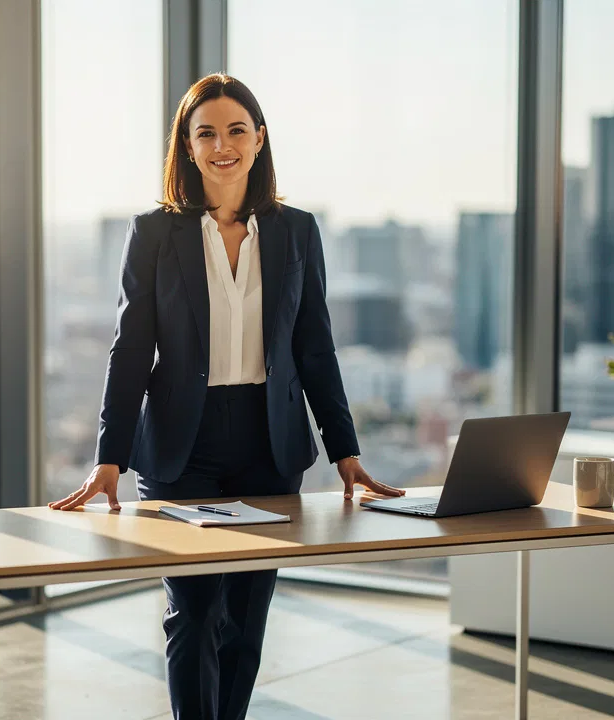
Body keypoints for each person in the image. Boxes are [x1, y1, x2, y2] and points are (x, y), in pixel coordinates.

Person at [49, 73, 404, 720]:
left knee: (244, 619)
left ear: (259, 139)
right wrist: (110, 457)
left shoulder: (296, 231)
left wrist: (345, 451)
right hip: (184, 444)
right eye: (205, 132)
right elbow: (131, 349)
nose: (223, 145)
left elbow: (314, 349)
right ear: (186, 147)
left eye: (237, 130)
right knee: (193, 612)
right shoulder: (155, 234)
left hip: (268, 443)